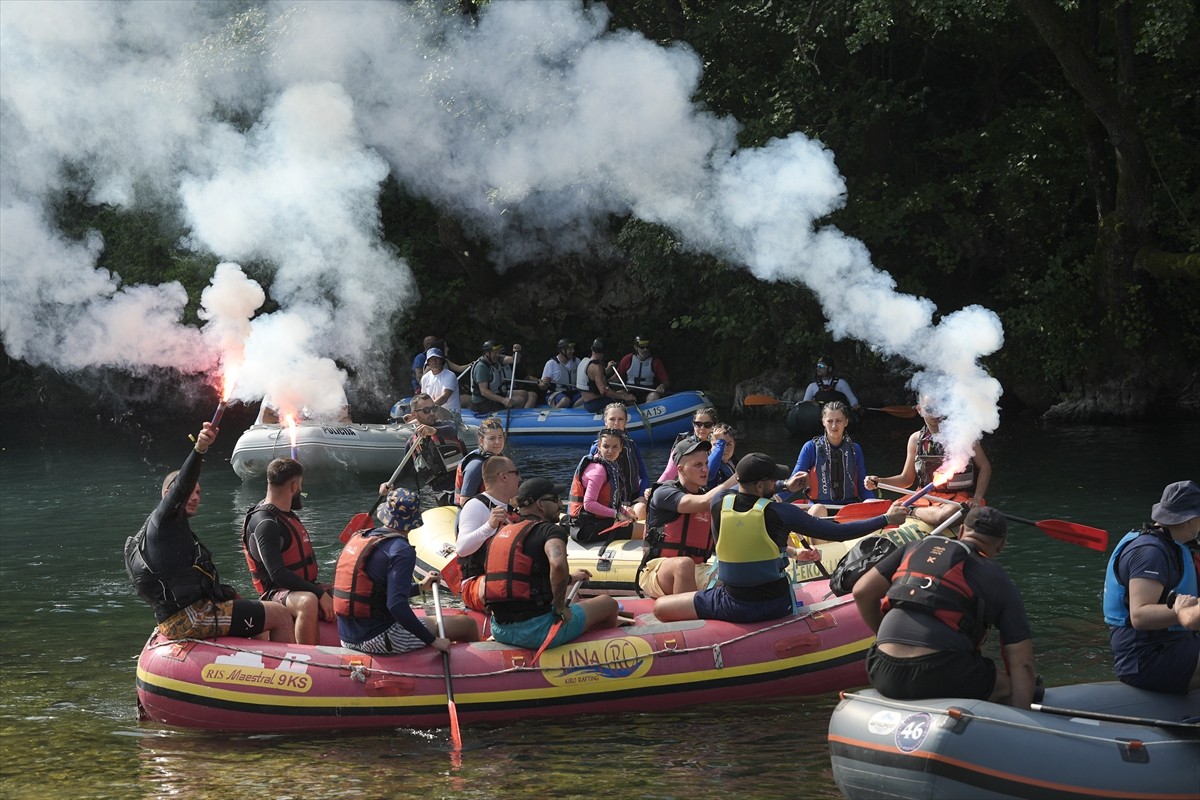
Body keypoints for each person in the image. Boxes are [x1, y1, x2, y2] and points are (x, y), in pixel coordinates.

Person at [654, 453, 908, 622]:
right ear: (762, 485)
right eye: (773, 479)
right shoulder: (781, 512)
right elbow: (837, 531)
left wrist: (783, 486)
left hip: (730, 602)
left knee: (660, 609)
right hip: (775, 603)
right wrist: (886, 519)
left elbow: (741, 490)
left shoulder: (719, 504)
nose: (776, 481)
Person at [125, 421, 295, 642]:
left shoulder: (171, 530)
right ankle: (294, 675)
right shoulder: (162, 520)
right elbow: (182, 486)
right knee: (280, 614)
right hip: (188, 618)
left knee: (260, 616)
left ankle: (260, 671)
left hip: (192, 611)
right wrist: (199, 449)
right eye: (191, 492)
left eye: (199, 492)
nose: (195, 497)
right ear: (170, 494)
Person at [852, 506, 1037, 708]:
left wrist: (883, 636)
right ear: (1002, 545)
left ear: (961, 532)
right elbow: (1022, 663)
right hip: (939, 673)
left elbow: (861, 591)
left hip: (881, 668)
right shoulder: (998, 579)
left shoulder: (915, 547)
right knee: (1017, 690)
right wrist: (1024, 715)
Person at [334, 488, 480, 654]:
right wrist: (433, 641)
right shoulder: (402, 550)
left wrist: (420, 587)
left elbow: (377, 593)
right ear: (413, 519)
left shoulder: (364, 537)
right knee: (468, 625)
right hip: (379, 639)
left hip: (347, 639)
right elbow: (396, 605)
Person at [484, 478, 620, 649]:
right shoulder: (550, 530)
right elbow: (558, 565)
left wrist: (571, 578)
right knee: (608, 603)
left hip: (500, 629)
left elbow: (527, 577)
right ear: (540, 504)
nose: (560, 505)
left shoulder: (503, 532)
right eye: (555, 499)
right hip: (538, 632)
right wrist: (559, 606)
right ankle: (603, 654)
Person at [1103, 480, 1200, 694]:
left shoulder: (1174, 546)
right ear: (1190, 520)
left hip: (1172, 644)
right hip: (1146, 658)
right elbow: (1140, 615)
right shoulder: (1150, 553)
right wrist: (1182, 610)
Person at [241, 458, 331, 645]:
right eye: (300, 485)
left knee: (348, 591)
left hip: (301, 586)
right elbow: (277, 574)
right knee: (308, 602)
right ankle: (309, 660)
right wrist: (319, 593)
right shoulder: (266, 523)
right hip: (275, 592)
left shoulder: (284, 514)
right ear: (293, 486)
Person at [637, 439, 739, 598]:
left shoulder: (708, 495)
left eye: (706, 463)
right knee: (684, 565)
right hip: (658, 569)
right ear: (681, 469)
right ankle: (685, 614)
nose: (705, 469)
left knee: (736, 577)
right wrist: (738, 477)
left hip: (699, 568)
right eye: (698, 465)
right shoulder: (664, 493)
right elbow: (704, 502)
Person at [864, 395, 992, 520]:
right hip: (923, 497)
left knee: (946, 514)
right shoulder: (916, 439)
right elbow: (906, 479)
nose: (935, 413)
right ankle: (917, 512)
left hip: (957, 498)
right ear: (919, 410)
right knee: (886, 506)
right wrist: (879, 481)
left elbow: (984, 467)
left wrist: (977, 498)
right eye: (929, 409)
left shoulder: (963, 435)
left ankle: (911, 511)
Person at [455, 456, 521, 612]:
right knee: (506, 585)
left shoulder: (510, 508)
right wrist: (489, 526)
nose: (520, 478)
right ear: (504, 476)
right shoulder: (475, 506)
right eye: (516, 473)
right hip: (477, 583)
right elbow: (462, 548)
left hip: (506, 577)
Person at [791, 401, 873, 505]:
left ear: (846, 422)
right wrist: (776, 497)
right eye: (830, 421)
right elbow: (794, 481)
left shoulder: (855, 449)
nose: (834, 426)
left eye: (839, 421)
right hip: (818, 506)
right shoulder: (810, 448)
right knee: (819, 509)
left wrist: (873, 503)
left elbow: (863, 487)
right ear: (823, 422)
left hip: (849, 508)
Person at [393, 393, 466, 509]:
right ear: (414, 414)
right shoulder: (412, 444)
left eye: (434, 409)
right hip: (437, 493)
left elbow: (452, 430)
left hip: (460, 488)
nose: (432, 413)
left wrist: (432, 430)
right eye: (426, 410)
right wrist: (389, 484)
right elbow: (404, 470)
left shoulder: (447, 427)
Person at [568, 428, 640, 544]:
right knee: (646, 531)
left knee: (633, 517)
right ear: (599, 447)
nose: (610, 451)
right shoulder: (598, 471)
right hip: (586, 528)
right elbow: (589, 504)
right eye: (606, 446)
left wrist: (624, 512)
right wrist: (617, 514)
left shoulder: (609, 466)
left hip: (596, 522)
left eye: (615, 447)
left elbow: (607, 501)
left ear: (621, 448)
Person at [587, 402, 650, 519]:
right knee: (629, 512)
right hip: (610, 504)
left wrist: (642, 496)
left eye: (620, 419)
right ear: (605, 421)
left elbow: (644, 476)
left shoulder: (632, 446)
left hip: (633, 499)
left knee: (641, 508)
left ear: (626, 422)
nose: (616, 423)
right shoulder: (597, 448)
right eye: (612, 419)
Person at [657, 406, 721, 483]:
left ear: (714, 426)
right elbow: (669, 473)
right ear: (693, 425)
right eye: (698, 424)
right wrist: (655, 488)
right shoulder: (683, 446)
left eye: (707, 424)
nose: (702, 428)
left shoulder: (722, 443)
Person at [454, 416, 507, 506]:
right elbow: (464, 501)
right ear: (481, 441)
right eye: (492, 438)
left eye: (500, 437)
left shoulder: (498, 459)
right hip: (474, 516)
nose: (498, 442)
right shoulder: (476, 465)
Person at [471, 340, 536, 411]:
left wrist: (516, 352)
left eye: (498, 352)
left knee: (524, 393)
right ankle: (514, 418)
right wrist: (503, 400)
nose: (497, 355)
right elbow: (484, 391)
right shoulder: (481, 367)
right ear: (487, 353)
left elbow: (515, 360)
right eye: (495, 353)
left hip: (496, 394)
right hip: (483, 403)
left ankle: (517, 415)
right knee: (520, 400)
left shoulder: (497, 359)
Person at [577, 338, 634, 413]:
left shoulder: (585, 362)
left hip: (588, 403)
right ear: (604, 352)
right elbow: (604, 391)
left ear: (592, 349)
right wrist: (624, 396)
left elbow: (594, 378)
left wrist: (607, 369)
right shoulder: (596, 367)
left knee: (621, 391)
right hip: (597, 403)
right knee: (624, 397)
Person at [618, 335, 669, 402]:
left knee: (654, 396)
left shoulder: (655, 362)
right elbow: (617, 377)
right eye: (642, 347)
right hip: (630, 391)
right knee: (618, 393)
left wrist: (662, 385)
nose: (645, 350)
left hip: (647, 392)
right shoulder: (627, 359)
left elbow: (666, 381)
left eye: (647, 347)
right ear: (636, 347)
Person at [419, 347, 462, 415]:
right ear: (428, 363)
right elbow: (423, 398)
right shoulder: (425, 378)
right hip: (432, 413)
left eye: (437, 359)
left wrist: (427, 410)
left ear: (442, 361)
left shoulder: (450, 375)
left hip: (451, 414)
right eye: (431, 359)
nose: (434, 361)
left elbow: (444, 398)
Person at [541, 338, 582, 408]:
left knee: (587, 397)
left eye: (573, 349)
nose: (573, 351)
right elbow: (542, 387)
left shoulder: (577, 361)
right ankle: (553, 417)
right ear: (562, 351)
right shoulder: (551, 363)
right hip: (557, 393)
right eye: (570, 349)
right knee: (565, 400)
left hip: (573, 393)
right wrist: (544, 383)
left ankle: (573, 412)